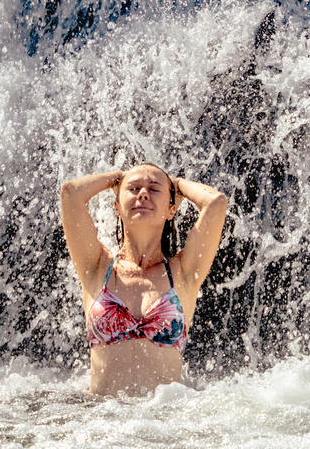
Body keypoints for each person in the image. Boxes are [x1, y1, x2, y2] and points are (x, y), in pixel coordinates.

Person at [60, 164, 227, 396]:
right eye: (134, 188)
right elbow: (70, 193)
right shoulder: (96, 266)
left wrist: (175, 184)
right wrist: (116, 179)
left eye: (154, 189)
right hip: (100, 418)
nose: (143, 193)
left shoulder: (183, 273)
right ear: (116, 207)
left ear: (171, 209)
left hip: (163, 421)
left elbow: (216, 202)